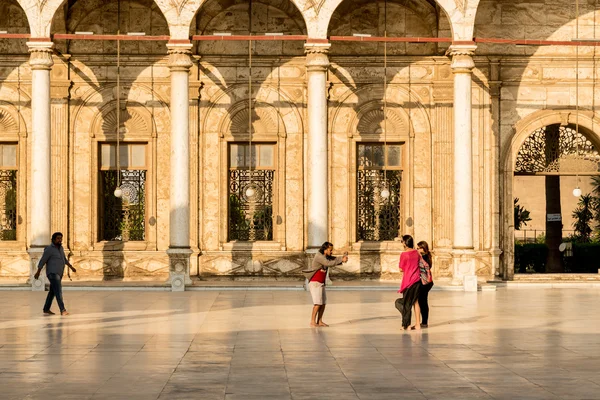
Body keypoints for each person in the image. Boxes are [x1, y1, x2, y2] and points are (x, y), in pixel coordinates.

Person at [303, 242, 348, 327]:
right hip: (315, 282)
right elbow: (328, 263)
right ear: (325, 249)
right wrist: (341, 259)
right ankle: (312, 321)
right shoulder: (319, 256)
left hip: (321, 282)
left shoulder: (325, 256)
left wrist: (342, 258)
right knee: (317, 303)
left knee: (323, 303)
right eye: (330, 250)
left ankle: (319, 321)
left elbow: (333, 259)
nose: (331, 252)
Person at [34, 232, 76, 316]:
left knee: (52, 292)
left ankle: (46, 309)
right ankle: (62, 310)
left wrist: (71, 267)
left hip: (59, 273)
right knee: (58, 291)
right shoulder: (49, 249)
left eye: (61, 238)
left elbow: (64, 259)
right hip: (52, 273)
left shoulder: (61, 248)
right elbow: (43, 260)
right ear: (53, 239)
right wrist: (38, 272)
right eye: (58, 238)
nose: (60, 240)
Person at [395, 235, 422, 330]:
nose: (402, 243)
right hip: (417, 280)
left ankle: (406, 325)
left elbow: (401, 269)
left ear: (405, 243)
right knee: (415, 302)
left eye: (402, 241)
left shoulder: (404, 254)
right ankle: (418, 324)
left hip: (408, 281)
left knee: (406, 304)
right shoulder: (417, 253)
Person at [417, 241, 433, 328]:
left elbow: (422, 267)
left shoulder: (424, 257)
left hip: (424, 282)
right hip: (427, 282)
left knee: (423, 302)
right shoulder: (427, 256)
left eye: (419, 248)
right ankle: (424, 321)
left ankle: (424, 322)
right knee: (423, 301)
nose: (417, 249)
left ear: (423, 248)